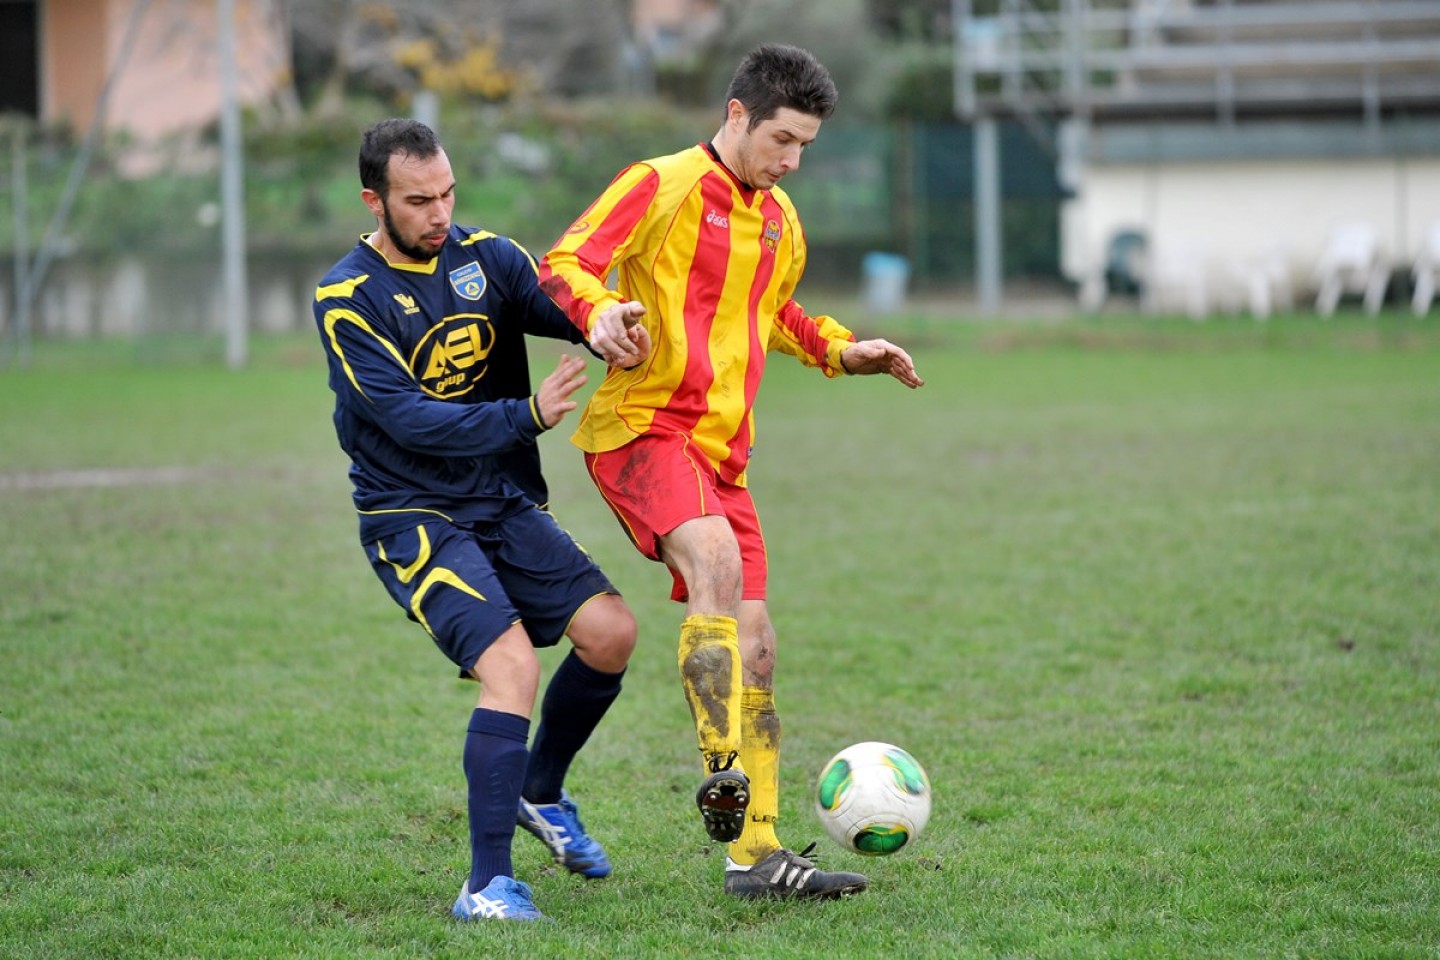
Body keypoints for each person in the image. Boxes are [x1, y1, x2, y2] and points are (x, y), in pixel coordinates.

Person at [538, 44, 924, 900]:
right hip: (642, 427)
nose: (791, 162)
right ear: (737, 112)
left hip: (721, 452)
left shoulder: (781, 219)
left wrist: (840, 349)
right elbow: (564, 262)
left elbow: (772, 312)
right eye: (782, 140)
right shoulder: (660, 183)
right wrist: (601, 317)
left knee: (758, 648)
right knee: (712, 562)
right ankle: (722, 773)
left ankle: (756, 856)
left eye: (806, 149)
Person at [313, 118, 649, 922]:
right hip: (410, 512)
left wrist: (609, 324)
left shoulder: (488, 257)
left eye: (448, 194)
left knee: (611, 633)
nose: (439, 213)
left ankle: (541, 791)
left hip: (498, 497)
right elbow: (409, 420)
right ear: (376, 201)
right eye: (419, 200)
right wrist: (527, 413)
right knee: (510, 669)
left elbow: (561, 304)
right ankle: (485, 887)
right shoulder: (347, 300)